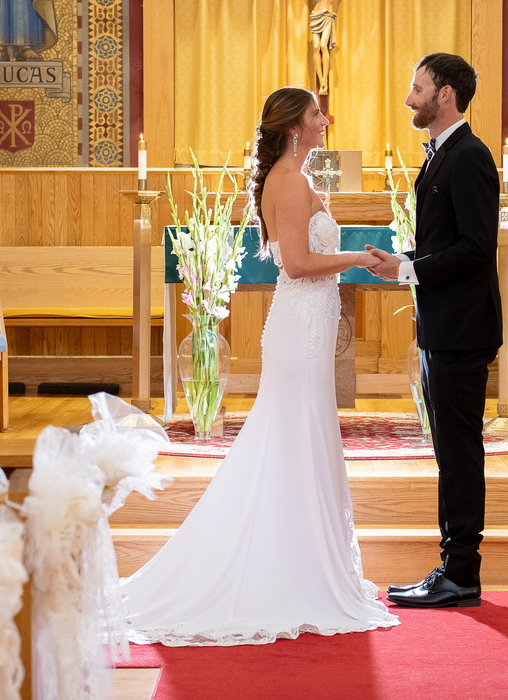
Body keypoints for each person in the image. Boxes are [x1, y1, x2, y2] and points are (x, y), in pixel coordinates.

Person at [121, 87, 397, 646]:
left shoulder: (292, 177)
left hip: (307, 327)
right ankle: (288, 572)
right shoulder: (290, 183)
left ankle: (301, 561)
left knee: (302, 439)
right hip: (300, 327)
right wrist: (361, 258)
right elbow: (297, 264)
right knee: (292, 438)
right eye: (318, 113)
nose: (327, 119)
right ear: (296, 126)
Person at [365, 53, 502, 608]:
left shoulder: (469, 157)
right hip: (443, 327)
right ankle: (451, 567)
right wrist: (402, 260)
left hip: (462, 330)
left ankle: (461, 572)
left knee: (460, 453)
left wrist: (411, 269)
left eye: (417, 87)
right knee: (448, 450)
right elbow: (447, 242)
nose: (409, 98)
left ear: (445, 94)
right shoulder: (442, 156)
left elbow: (476, 248)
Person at [264, 0, 382, 95]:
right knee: (315, 47)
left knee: (323, 46)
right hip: (316, 15)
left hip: (328, 15)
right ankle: (321, 82)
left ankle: (325, 82)